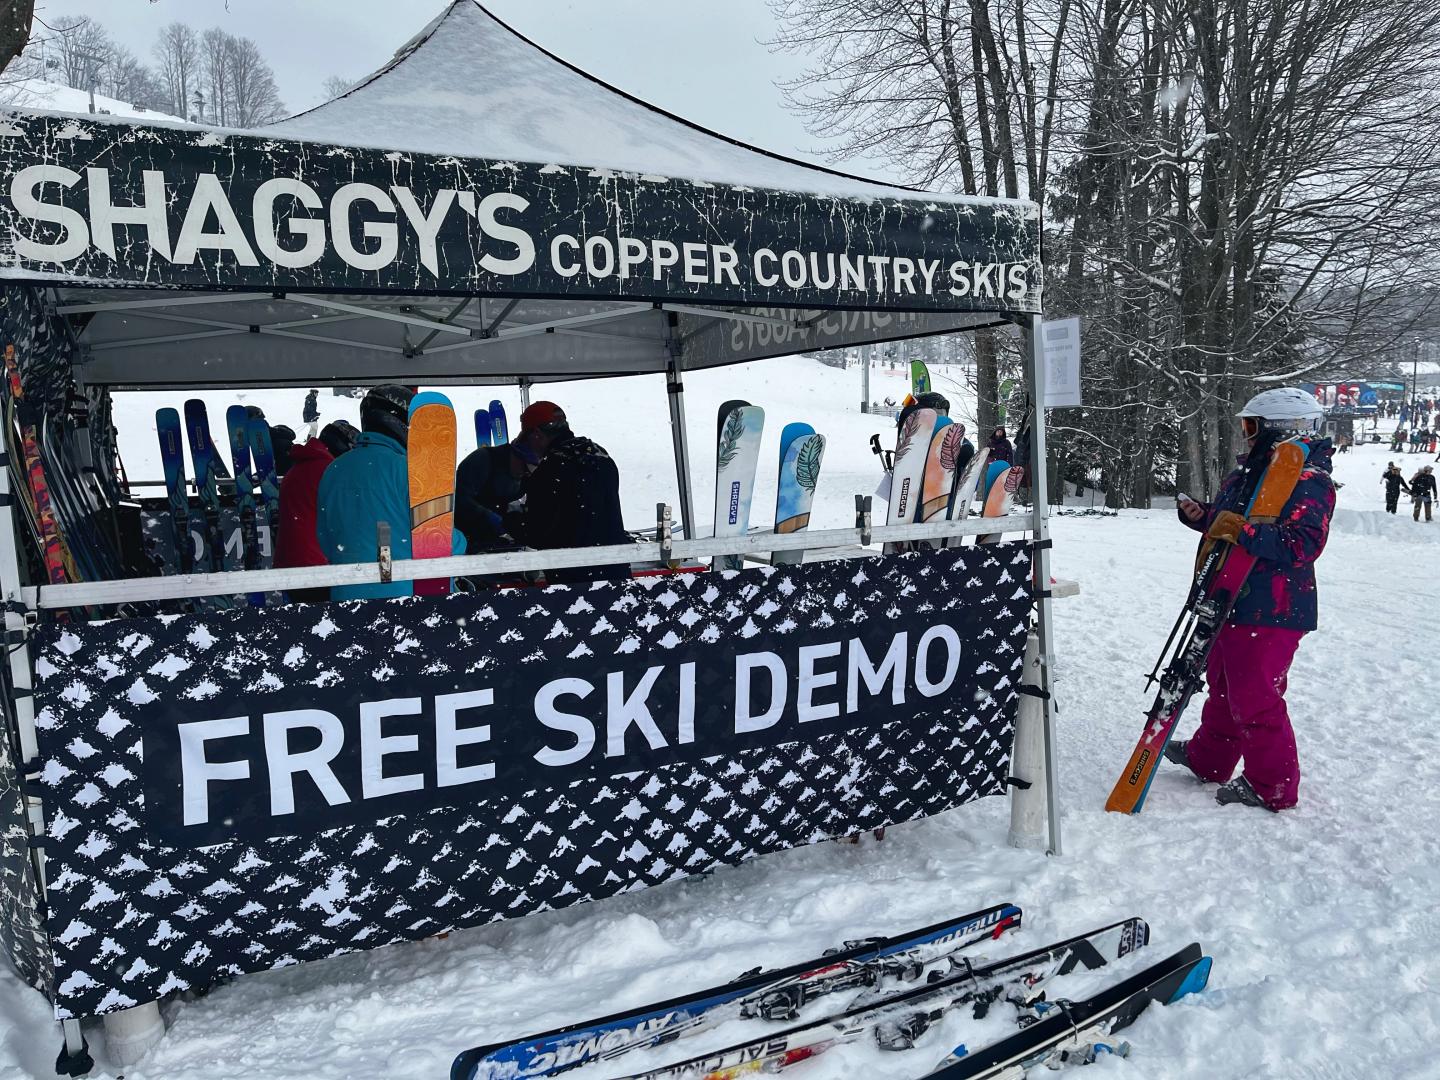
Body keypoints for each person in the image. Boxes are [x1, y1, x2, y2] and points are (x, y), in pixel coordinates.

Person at [1166, 387, 1335, 812]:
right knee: (1223, 684)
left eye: (1252, 427)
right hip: (1232, 595)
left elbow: (1303, 544)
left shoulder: (1308, 480)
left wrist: (1238, 531)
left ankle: (1272, 785)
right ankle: (1211, 758)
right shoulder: (1255, 473)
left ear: (1281, 429)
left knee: (1256, 696)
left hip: (1272, 606)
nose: (1246, 436)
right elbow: (1234, 522)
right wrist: (1203, 517)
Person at [316, 384, 460, 600]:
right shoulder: (410, 471)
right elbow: (439, 542)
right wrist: (465, 541)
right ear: (402, 423)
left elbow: (325, 541)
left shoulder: (334, 469)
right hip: (403, 596)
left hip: (346, 595)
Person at [517, 401, 631, 584]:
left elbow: (537, 533)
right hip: (616, 570)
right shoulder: (601, 457)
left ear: (536, 434)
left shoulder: (550, 470)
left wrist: (509, 520)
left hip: (573, 580)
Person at [275, 420, 359, 602]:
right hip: (316, 566)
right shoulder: (329, 470)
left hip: (292, 564)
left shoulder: (300, 466)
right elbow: (348, 519)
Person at [454, 422, 539, 552]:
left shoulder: (525, 476)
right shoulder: (481, 460)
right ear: (515, 454)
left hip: (497, 539)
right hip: (465, 538)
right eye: (524, 468)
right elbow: (458, 498)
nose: (525, 474)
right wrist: (485, 515)